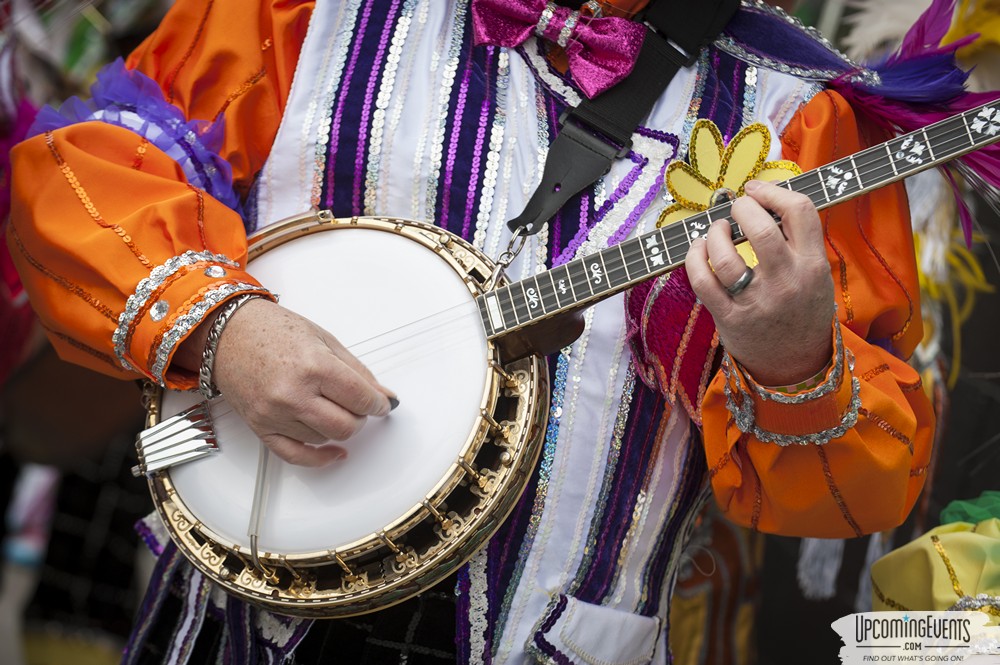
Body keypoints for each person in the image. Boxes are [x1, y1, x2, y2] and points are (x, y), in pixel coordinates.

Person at [7, 0, 949, 661]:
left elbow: (856, 485)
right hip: (233, 628)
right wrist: (226, 328)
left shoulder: (802, 116)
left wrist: (794, 361)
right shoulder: (300, 10)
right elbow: (81, 177)